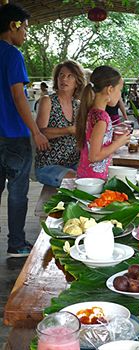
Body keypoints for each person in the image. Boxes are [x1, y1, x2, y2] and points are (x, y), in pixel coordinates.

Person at [0, 3, 49, 257]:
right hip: (13, 136)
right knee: (17, 192)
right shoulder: (12, 55)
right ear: (13, 26)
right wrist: (36, 131)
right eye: (25, 28)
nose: (26, 34)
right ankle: (17, 243)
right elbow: (19, 97)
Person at [35, 60, 85, 187]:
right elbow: (40, 132)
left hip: (73, 163)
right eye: (61, 75)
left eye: (70, 76)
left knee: (95, 178)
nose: (64, 79)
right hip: (49, 165)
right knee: (78, 183)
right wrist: (69, 130)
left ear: (77, 81)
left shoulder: (77, 105)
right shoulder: (48, 101)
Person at [76, 66, 130, 180]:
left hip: (87, 176)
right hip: (94, 180)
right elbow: (94, 156)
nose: (120, 94)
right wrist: (118, 143)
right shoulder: (101, 118)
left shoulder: (92, 112)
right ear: (110, 89)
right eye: (119, 90)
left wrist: (111, 137)